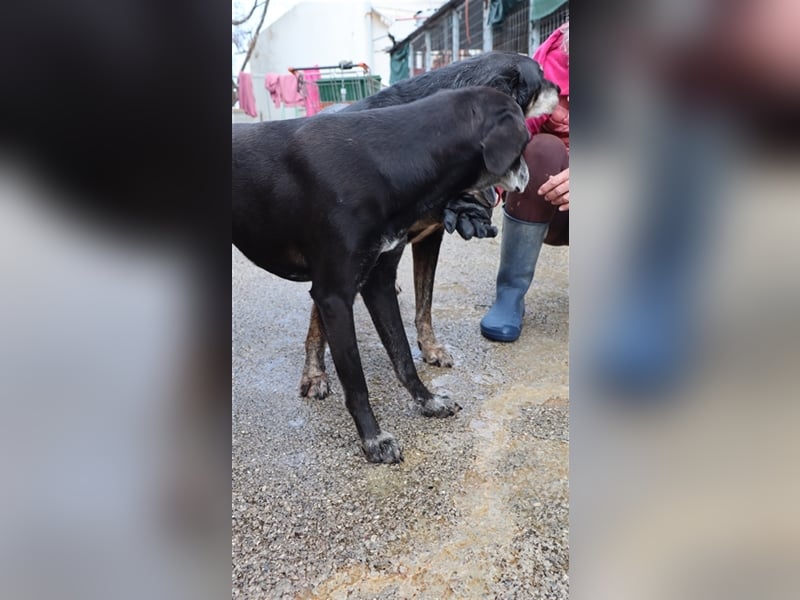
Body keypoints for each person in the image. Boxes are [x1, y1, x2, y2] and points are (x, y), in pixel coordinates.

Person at [480, 22, 570, 342]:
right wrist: (487, 183)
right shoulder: (549, 66)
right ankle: (510, 293)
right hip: (558, 207)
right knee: (541, 149)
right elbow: (515, 137)